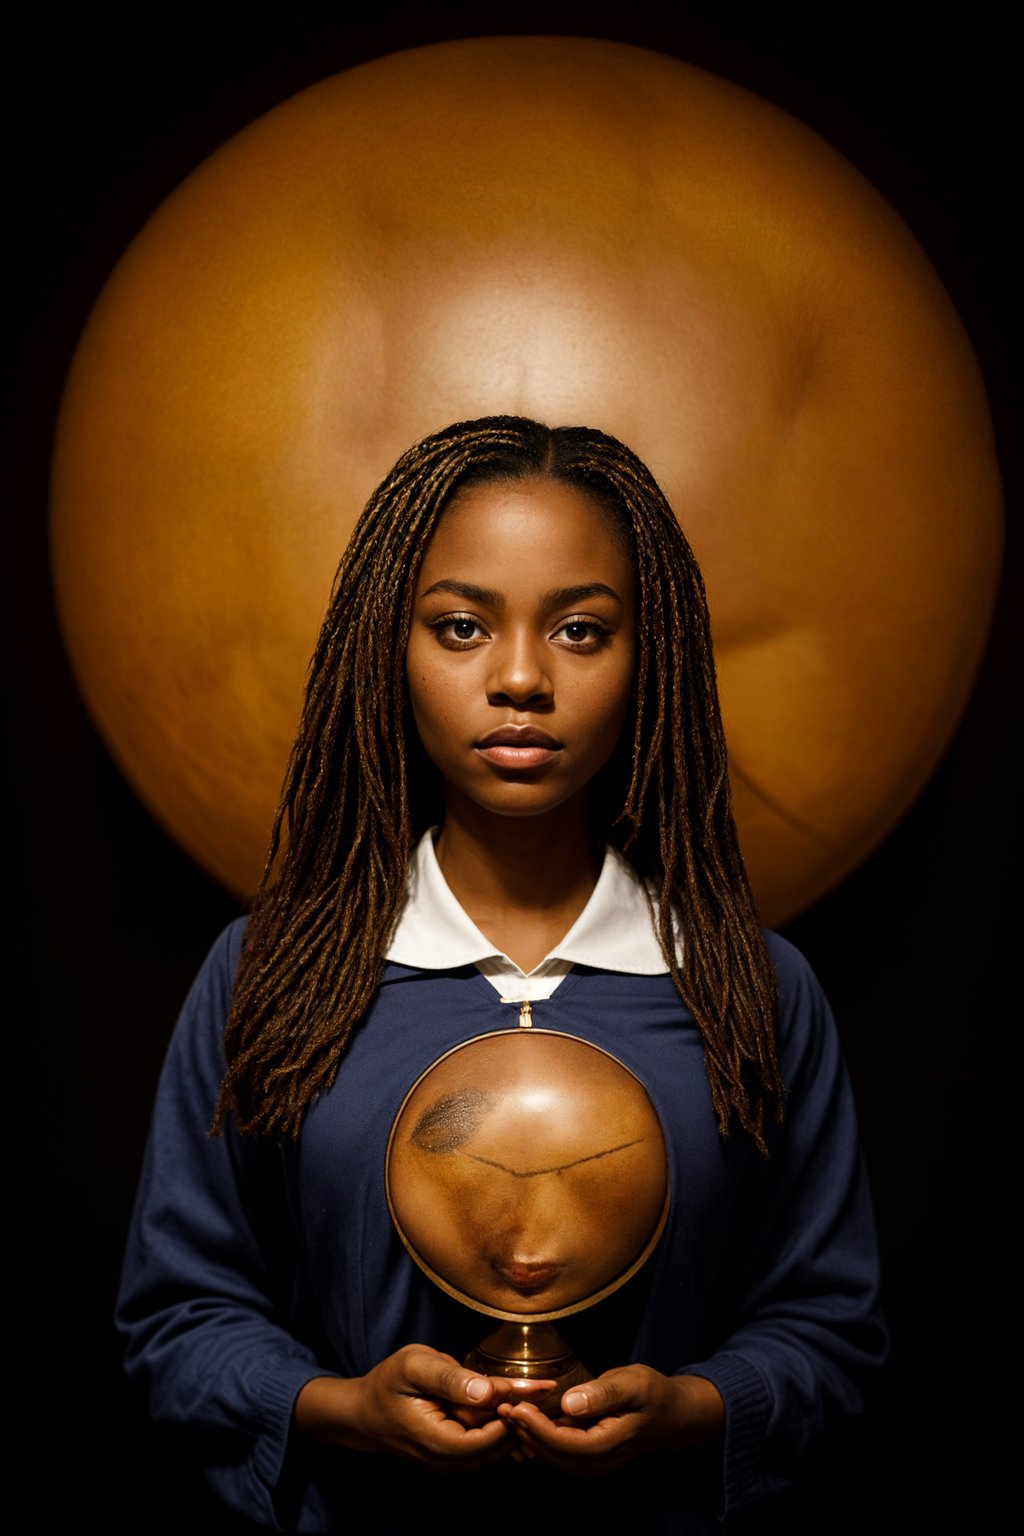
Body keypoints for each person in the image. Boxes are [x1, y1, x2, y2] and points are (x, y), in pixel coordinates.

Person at [115, 415, 887, 1533]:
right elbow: (177, 1316)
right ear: (392, 644)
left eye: (579, 630)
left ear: (647, 658)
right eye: (462, 626)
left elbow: (831, 1325)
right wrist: (336, 1409)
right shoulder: (271, 976)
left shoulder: (751, 990)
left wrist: (695, 1410)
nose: (520, 679)